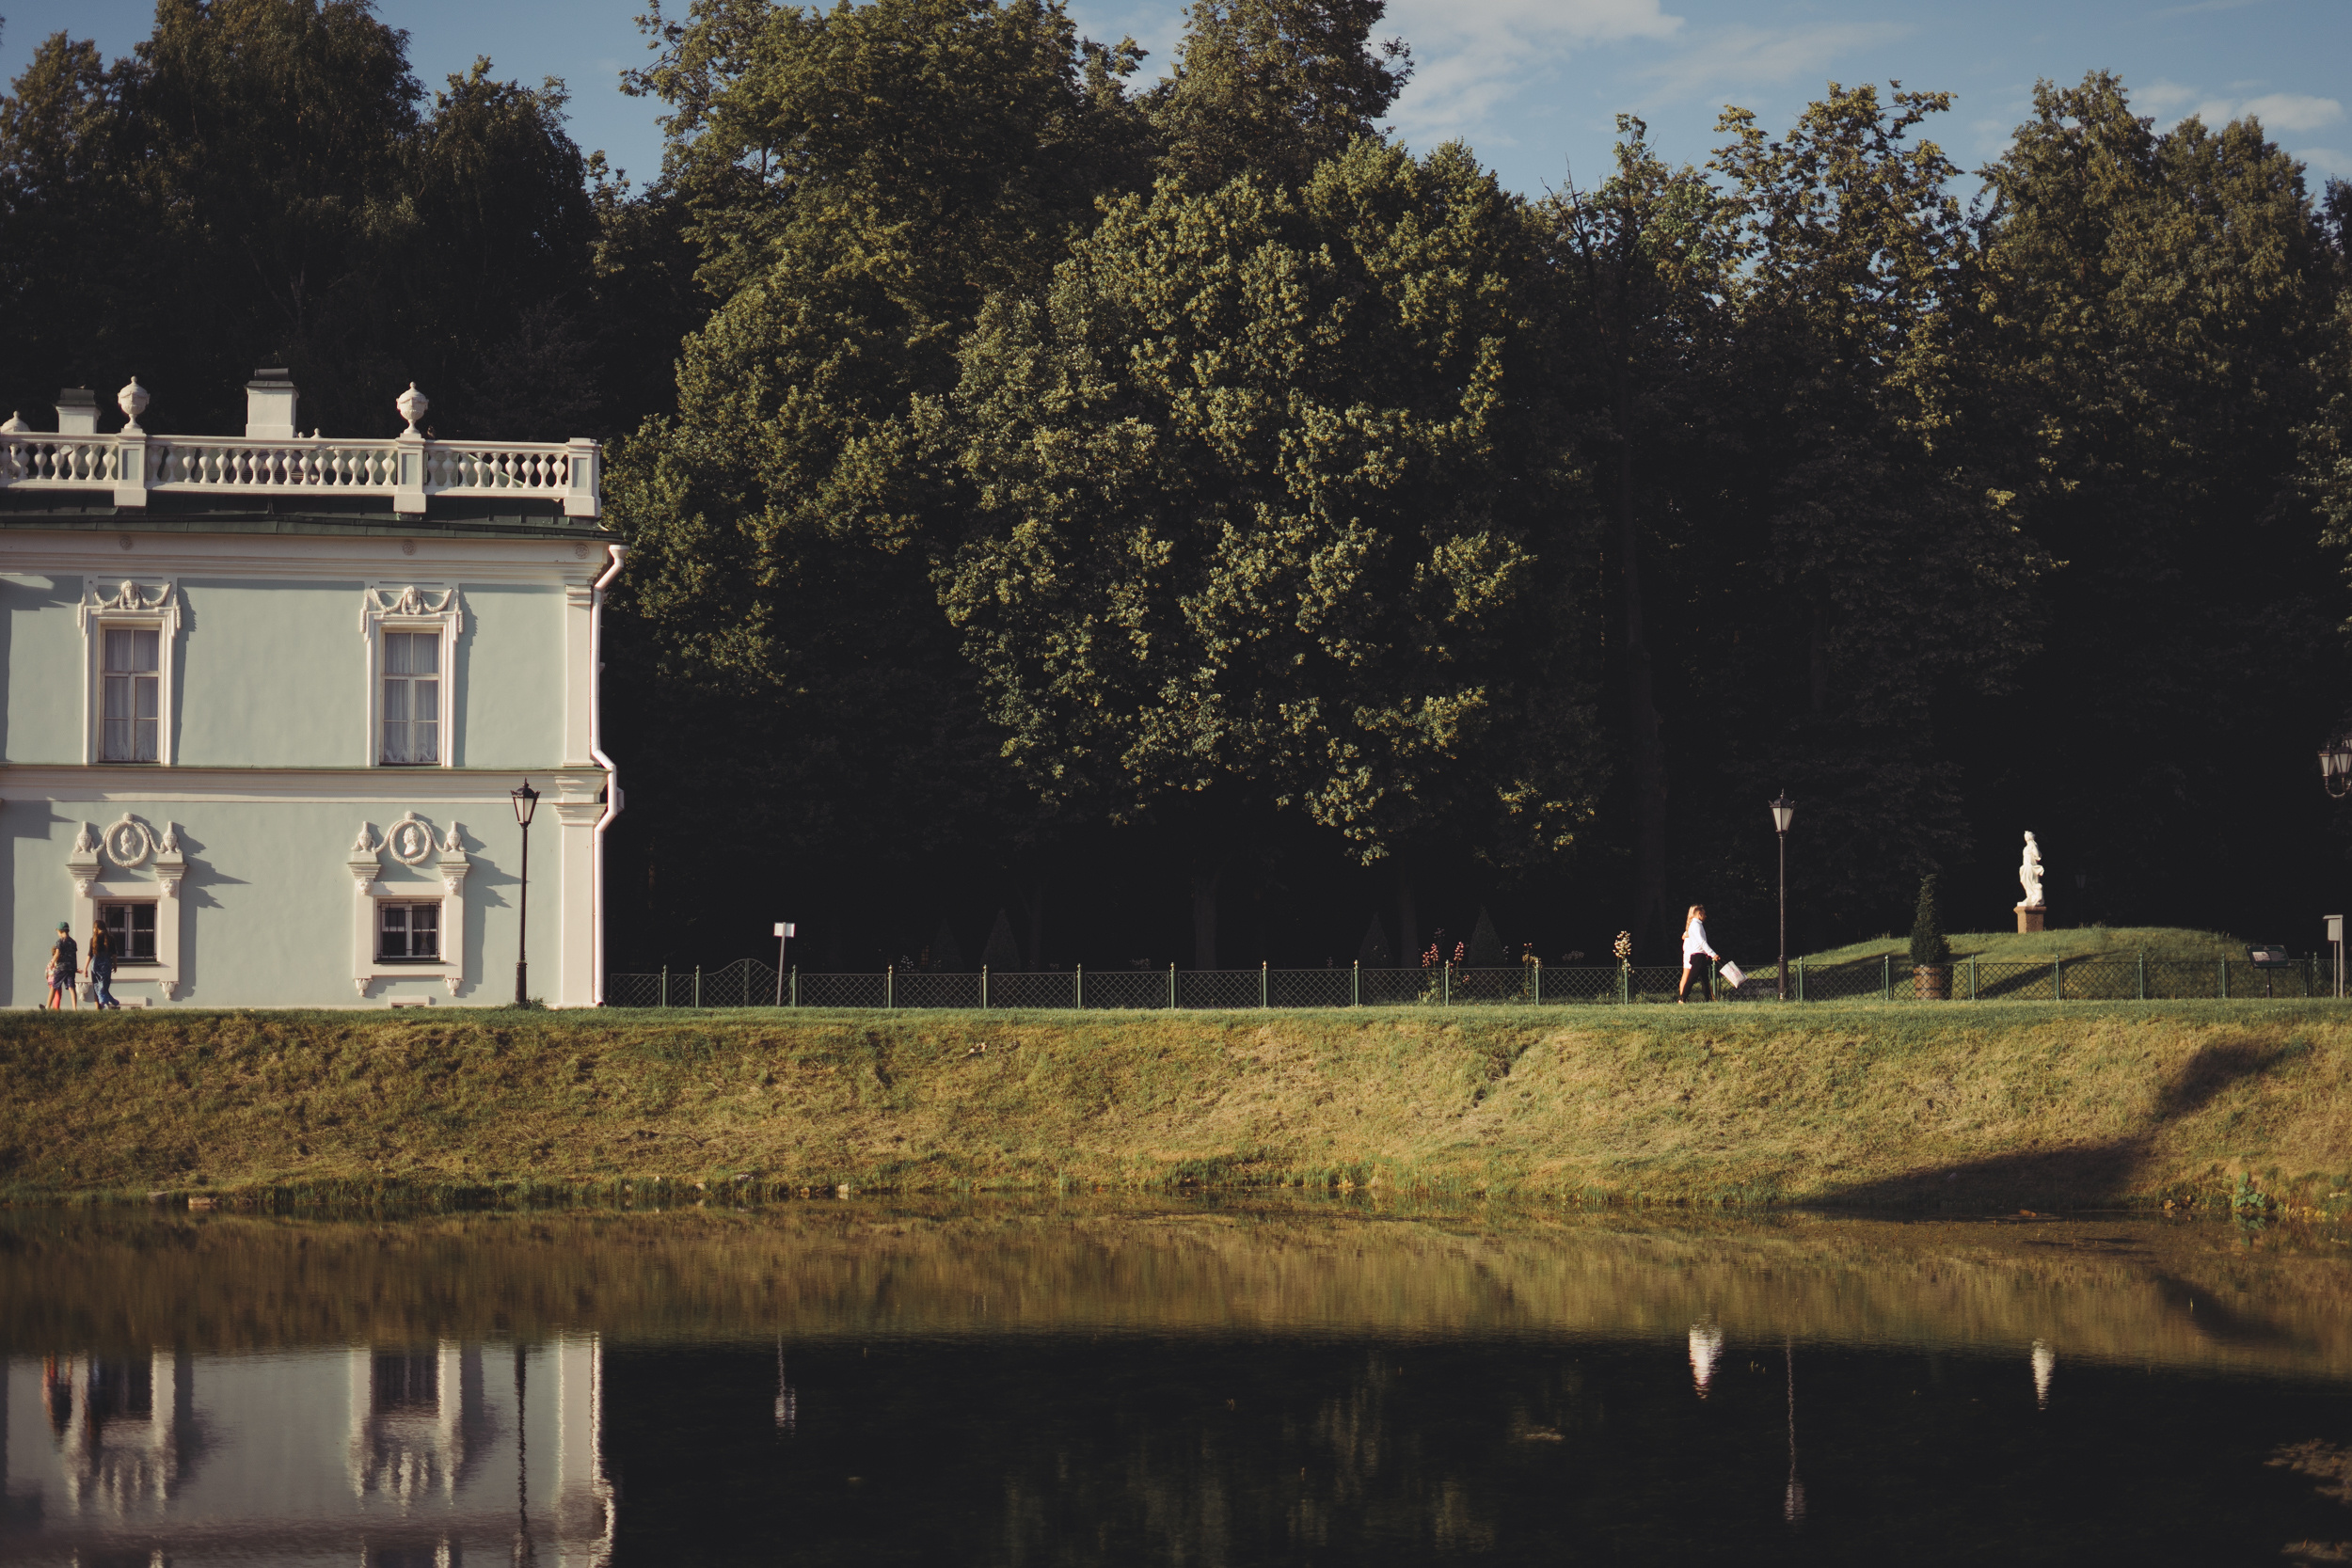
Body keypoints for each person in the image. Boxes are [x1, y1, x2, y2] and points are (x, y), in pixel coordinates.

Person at [1678, 904, 1718, 1003]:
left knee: (1704, 979)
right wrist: (1712, 954)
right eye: (1704, 914)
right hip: (1698, 956)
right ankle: (1682, 999)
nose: (1705, 916)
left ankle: (1708, 999)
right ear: (1699, 914)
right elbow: (1702, 942)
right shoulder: (1696, 926)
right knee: (1691, 978)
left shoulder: (1696, 925)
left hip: (1699, 955)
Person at [87, 919, 119, 1010]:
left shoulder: (93, 939)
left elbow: (89, 955)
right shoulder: (111, 939)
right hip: (106, 965)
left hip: (95, 965)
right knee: (104, 985)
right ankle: (105, 1002)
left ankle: (101, 1004)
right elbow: (114, 954)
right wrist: (115, 965)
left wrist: (85, 968)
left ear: (95, 928)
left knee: (96, 985)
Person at [47, 922, 78, 1010]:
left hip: (61, 967)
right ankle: (74, 1008)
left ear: (60, 931)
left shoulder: (60, 941)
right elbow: (74, 955)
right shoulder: (73, 942)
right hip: (71, 967)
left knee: (54, 986)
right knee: (72, 987)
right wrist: (75, 967)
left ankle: (47, 1006)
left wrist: (52, 962)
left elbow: (57, 954)